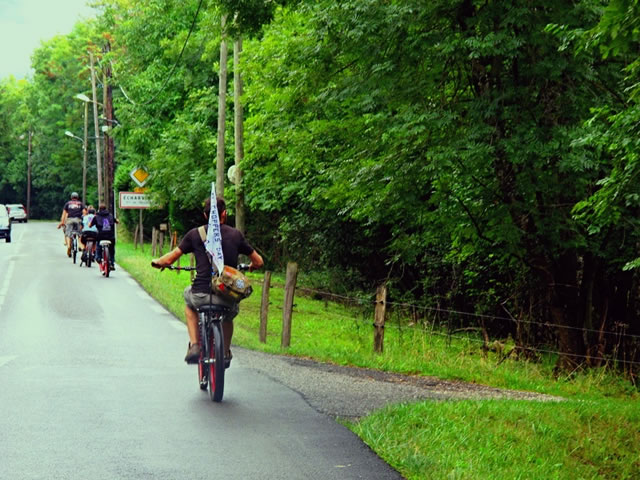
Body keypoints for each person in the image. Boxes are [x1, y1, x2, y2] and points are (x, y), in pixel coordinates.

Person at [151, 197, 263, 364]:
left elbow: (169, 259)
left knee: (188, 301)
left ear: (205, 215)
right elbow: (259, 261)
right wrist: (252, 266)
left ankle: (195, 345)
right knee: (228, 317)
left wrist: (158, 262)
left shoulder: (195, 234)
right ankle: (224, 353)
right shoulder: (235, 235)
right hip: (227, 297)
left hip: (201, 294)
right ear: (224, 214)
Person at [90, 204, 118, 270]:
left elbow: (90, 225)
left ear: (99, 209)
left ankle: (98, 258)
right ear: (106, 209)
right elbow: (117, 221)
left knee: (98, 247)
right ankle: (112, 263)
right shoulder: (110, 216)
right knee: (111, 249)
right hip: (110, 236)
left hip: (100, 236)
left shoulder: (96, 216)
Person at [57, 192, 85, 257]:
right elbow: (84, 212)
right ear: (77, 197)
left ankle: (69, 246)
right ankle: (80, 244)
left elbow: (64, 214)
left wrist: (61, 222)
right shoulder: (80, 203)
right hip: (78, 220)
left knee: (68, 234)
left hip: (69, 220)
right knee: (79, 234)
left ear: (71, 197)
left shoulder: (67, 204)